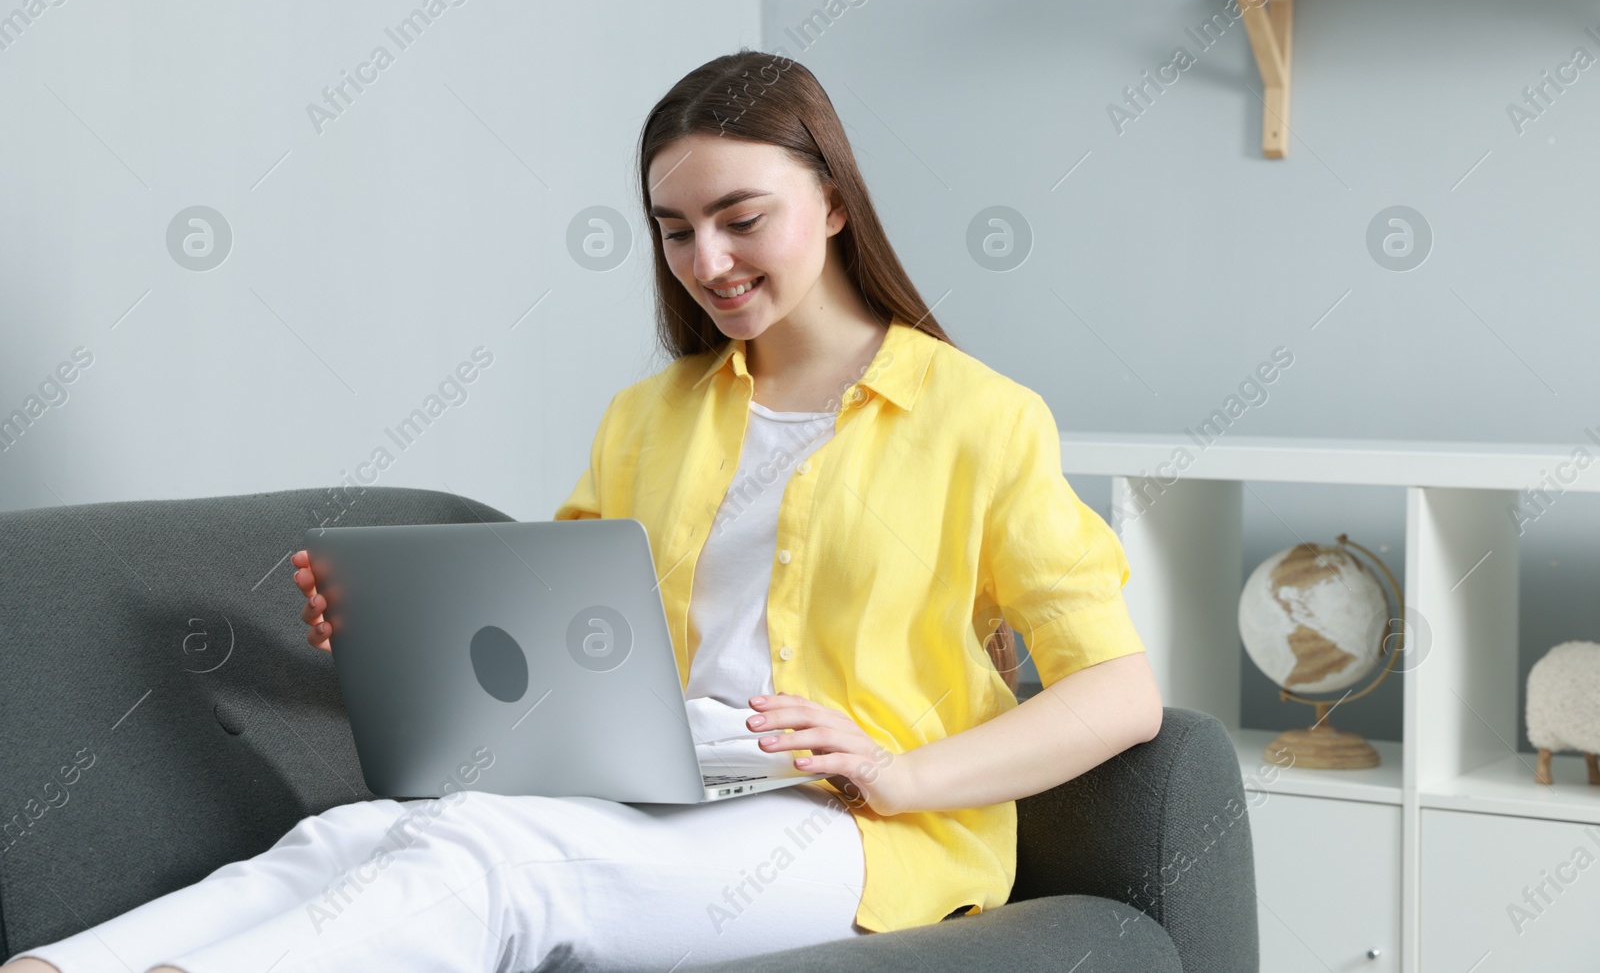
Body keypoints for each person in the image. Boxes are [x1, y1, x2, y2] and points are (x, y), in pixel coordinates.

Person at [3, 49, 1162, 973]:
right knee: (345, 836)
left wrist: (900, 773)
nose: (706, 259)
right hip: (654, 774)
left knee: (487, 858)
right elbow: (558, 638)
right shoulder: (649, 415)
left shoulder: (980, 417)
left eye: (740, 216)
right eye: (673, 228)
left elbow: (1119, 692)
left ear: (833, 201)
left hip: (848, 828)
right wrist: (394, 634)